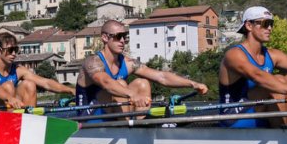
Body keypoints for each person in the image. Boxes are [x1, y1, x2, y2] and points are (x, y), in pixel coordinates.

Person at [76, 20, 208, 113]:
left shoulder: (128, 63)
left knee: (142, 83)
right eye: (118, 36)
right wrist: (132, 95)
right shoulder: (93, 62)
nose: (123, 41)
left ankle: (139, 125)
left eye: (125, 37)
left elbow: (162, 76)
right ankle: (128, 130)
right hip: (89, 114)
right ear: (105, 38)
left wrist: (192, 83)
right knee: (120, 83)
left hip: (114, 112)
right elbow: (106, 83)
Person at [0, 32, 75, 110]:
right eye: (10, 50)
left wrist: (70, 90)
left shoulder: (18, 70)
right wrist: (10, 98)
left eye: (16, 50)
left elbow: (46, 83)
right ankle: (13, 123)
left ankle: (29, 121)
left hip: (8, 108)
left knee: (29, 84)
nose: (14, 54)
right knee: (8, 86)